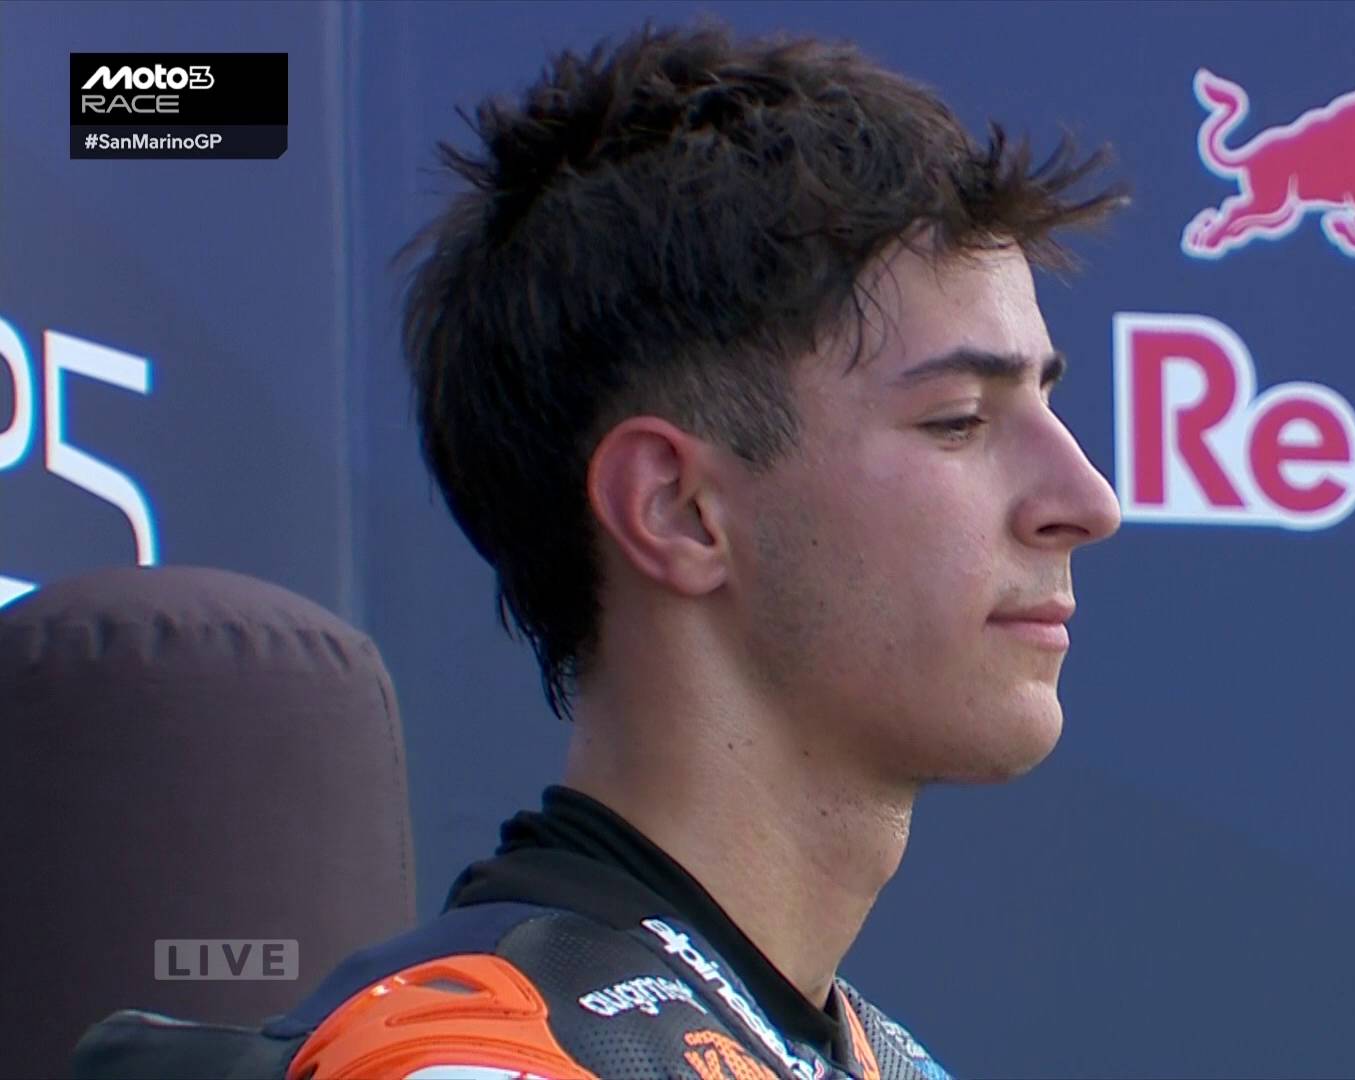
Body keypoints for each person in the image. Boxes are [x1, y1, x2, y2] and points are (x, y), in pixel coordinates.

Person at [74, 20, 1125, 1080]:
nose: (1089, 501)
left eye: (1047, 402)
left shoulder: (876, 1056)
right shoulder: (478, 1062)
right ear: (677, 510)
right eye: (957, 420)